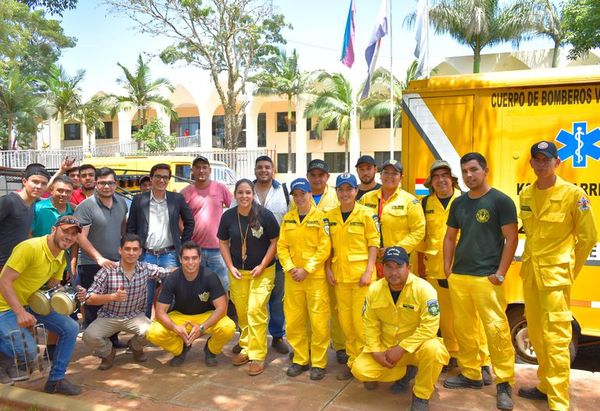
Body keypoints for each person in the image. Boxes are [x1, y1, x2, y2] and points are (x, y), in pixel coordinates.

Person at [517, 141, 596, 411]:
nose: (541, 164)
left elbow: (588, 238)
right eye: (537, 160)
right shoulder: (526, 195)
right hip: (531, 275)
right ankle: (545, 385)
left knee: (557, 339)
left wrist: (569, 270)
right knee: (536, 336)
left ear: (557, 163)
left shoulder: (574, 195)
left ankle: (559, 401)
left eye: (546, 159)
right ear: (531, 164)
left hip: (555, 279)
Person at [442, 152, 517, 411]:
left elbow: (512, 239)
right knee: (464, 328)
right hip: (460, 276)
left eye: (474, 170)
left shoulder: (501, 201)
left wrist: (500, 273)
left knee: (496, 331)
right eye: (465, 171)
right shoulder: (459, 203)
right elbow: (450, 237)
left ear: (486, 170)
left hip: (488, 278)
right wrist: (447, 268)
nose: (469, 175)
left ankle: (504, 381)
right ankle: (472, 373)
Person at [351, 247, 449, 411]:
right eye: (389, 266)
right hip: (387, 348)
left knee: (435, 350)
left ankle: (421, 395)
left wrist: (402, 348)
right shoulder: (374, 290)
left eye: (398, 266)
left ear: (408, 268)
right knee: (359, 369)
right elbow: (370, 324)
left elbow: (430, 328)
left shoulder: (424, 290)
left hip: (416, 349)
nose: (393, 272)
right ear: (383, 268)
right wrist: (375, 351)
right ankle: (404, 372)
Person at [417, 160, 491, 377]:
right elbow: (423, 237)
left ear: (452, 179)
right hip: (436, 270)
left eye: (445, 175)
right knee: (446, 320)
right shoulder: (425, 203)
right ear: (431, 181)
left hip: (464, 269)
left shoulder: (466, 200)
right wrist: (421, 264)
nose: (441, 180)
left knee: (472, 319)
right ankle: (453, 355)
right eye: (436, 176)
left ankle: (483, 361)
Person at [0, 216, 82, 395]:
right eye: (65, 231)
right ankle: (4, 359)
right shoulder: (29, 248)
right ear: (53, 229)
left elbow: (53, 284)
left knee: (71, 327)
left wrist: (72, 294)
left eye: (73, 234)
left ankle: (56, 380)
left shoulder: (62, 253)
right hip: (4, 305)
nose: (69, 237)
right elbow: (4, 281)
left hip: (30, 301)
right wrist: (20, 312)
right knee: (29, 352)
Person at [80, 234, 172, 370]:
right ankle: (108, 353)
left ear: (140, 251)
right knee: (89, 336)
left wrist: (189, 267)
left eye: (135, 249)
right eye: (127, 249)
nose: (131, 253)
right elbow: (89, 298)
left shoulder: (145, 269)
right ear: (120, 250)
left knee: (155, 332)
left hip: (135, 317)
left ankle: (135, 347)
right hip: (109, 317)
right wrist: (111, 297)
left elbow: (167, 272)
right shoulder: (107, 271)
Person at [218, 179, 279, 376]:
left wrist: (262, 265)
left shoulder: (265, 215)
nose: (244, 196)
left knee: (255, 310)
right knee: (243, 312)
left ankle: (257, 355)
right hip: (238, 272)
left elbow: (275, 242)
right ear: (235, 195)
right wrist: (229, 266)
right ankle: (246, 345)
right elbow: (223, 242)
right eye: (240, 193)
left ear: (253, 194)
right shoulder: (228, 216)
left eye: (248, 193)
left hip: (262, 271)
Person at [146, 241, 236, 367]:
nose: (190, 262)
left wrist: (202, 327)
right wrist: (176, 328)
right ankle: (180, 349)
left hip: (205, 316)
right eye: (186, 258)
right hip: (180, 316)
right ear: (180, 259)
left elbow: (221, 308)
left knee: (229, 327)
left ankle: (211, 350)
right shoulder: (173, 278)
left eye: (194, 258)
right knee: (153, 332)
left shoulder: (210, 276)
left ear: (200, 259)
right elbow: (160, 312)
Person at [325, 173, 379, 380]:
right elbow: (327, 247)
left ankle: (368, 364)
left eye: (349, 189)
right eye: (341, 189)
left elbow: (374, 243)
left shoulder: (367, 214)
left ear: (356, 191)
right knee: (346, 323)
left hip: (361, 278)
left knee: (362, 323)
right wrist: (328, 269)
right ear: (336, 192)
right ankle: (353, 361)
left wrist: (368, 271)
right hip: (340, 278)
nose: (345, 193)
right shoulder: (329, 216)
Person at [277, 178, 331, 380]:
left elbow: (324, 248)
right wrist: (291, 268)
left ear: (310, 194)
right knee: (294, 321)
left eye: (303, 194)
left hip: (314, 278)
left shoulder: (321, 218)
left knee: (318, 322)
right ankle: (300, 359)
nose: (299, 198)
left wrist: (307, 269)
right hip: (293, 279)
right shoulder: (288, 218)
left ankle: (318, 362)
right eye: (296, 195)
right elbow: (282, 246)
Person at [126, 163, 194, 318]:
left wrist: (183, 246)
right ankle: (143, 335)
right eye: (158, 176)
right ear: (151, 178)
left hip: (169, 255)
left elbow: (190, 222)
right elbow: (131, 227)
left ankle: (172, 333)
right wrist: (133, 250)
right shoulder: (139, 200)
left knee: (172, 296)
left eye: (165, 177)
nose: (161, 180)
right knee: (144, 297)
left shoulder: (176, 199)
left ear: (168, 180)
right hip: (146, 255)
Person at [73, 167, 128, 346]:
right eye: (102, 182)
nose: (106, 186)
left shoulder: (121, 203)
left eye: (110, 183)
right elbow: (80, 236)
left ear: (116, 184)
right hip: (91, 263)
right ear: (96, 184)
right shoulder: (86, 206)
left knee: (113, 303)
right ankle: (97, 343)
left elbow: (122, 229)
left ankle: (112, 339)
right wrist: (98, 258)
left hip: (115, 262)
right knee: (93, 305)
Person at [300, 159, 346, 364]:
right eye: (313, 175)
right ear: (308, 176)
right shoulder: (299, 197)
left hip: (333, 263)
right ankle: (309, 346)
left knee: (337, 309)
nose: (317, 179)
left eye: (321, 175)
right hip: (308, 266)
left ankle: (341, 346)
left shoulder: (336, 198)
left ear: (327, 177)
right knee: (311, 310)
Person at [252, 155, 289, 355]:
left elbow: (290, 219)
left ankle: (277, 336)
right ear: (255, 170)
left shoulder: (282, 191)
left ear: (272, 170)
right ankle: (247, 337)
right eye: (260, 167)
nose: (263, 170)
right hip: (251, 255)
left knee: (276, 298)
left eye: (267, 167)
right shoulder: (246, 189)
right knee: (251, 300)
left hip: (278, 255)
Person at [180, 156, 233, 291]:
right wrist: (186, 239)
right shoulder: (185, 192)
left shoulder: (220, 188)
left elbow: (234, 210)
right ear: (192, 170)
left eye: (204, 167)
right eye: (197, 167)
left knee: (222, 286)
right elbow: (178, 220)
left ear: (209, 170)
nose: (201, 171)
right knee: (198, 288)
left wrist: (229, 235)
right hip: (195, 250)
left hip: (218, 249)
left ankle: (222, 313)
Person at [359, 159, 426, 263]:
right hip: (370, 259)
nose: (389, 176)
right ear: (380, 176)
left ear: (401, 178)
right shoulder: (366, 199)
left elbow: (419, 231)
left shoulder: (410, 201)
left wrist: (395, 249)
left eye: (394, 173)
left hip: (398, 260)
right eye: (386, 173)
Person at [0, 165, 51, 271]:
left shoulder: (34, 202)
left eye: (43, 184)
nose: (39, 186)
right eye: (35, 182)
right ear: (24, 181)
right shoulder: (8, 202)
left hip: (17, 263)